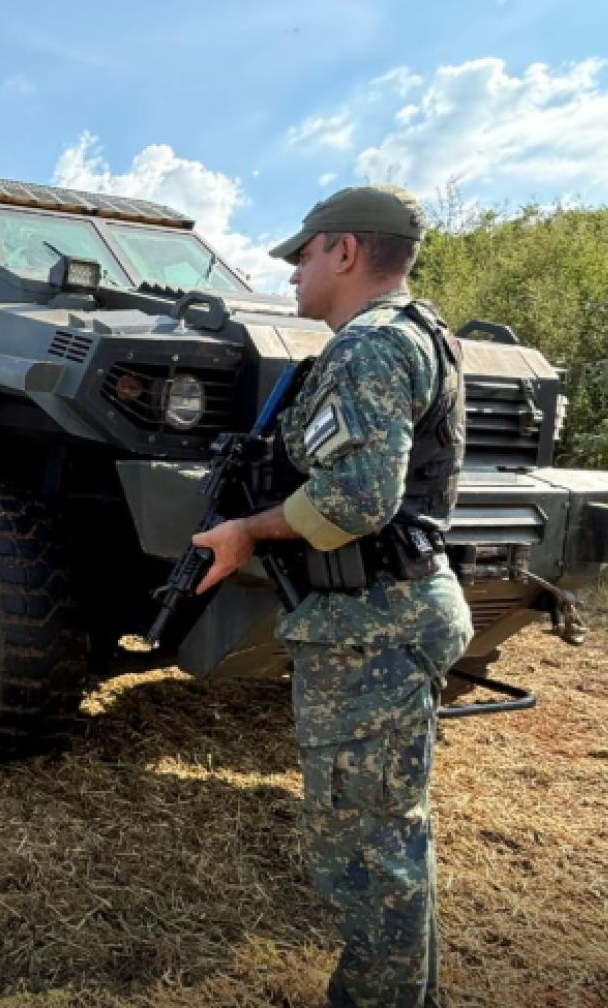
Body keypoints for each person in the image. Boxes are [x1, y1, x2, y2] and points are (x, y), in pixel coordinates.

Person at [191, 185, 473, 1007]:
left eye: (304, 255)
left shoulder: (370, 345)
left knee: (364, 858)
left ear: (346, 251)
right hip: (395, 612)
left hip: (371, 629)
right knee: (393, 839)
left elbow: (355, 499)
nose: (292, 274)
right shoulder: (422, 332)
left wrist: (249, 530)